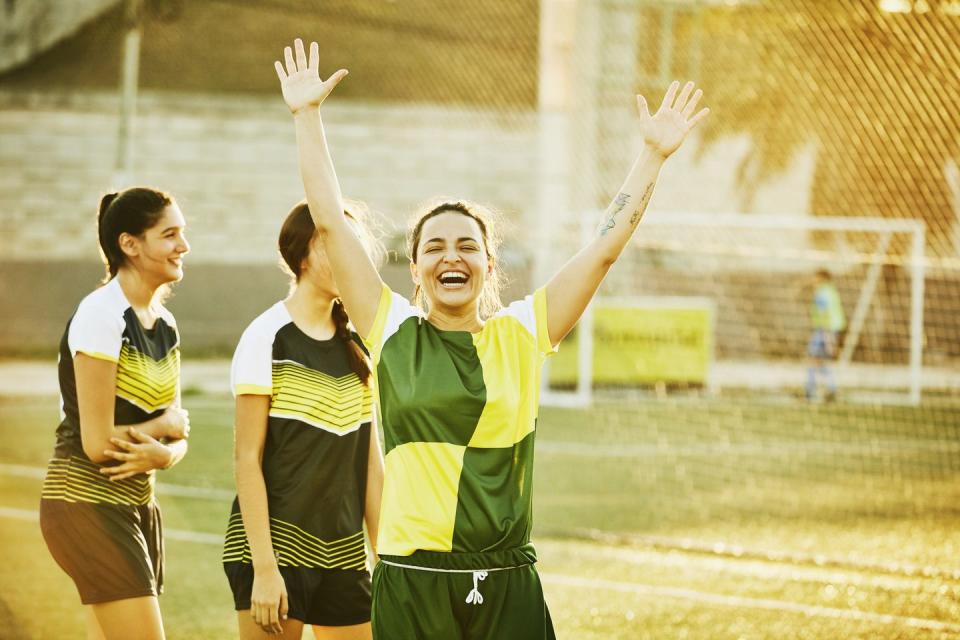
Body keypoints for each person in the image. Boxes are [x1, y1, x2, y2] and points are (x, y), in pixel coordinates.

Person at [274, 38, 708, 639]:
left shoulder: (524, 332)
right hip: (411, 576)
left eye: (466, 245)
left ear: (489, 262)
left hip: (505, 580)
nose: (451, 257)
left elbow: (604, 249)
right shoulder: (392, 328)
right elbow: (328, 220)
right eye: (434, 247)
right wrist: (307, 116)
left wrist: (652, 157)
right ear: (416, 268)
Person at [223, 201, 385, 640]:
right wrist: (265, 569)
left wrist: (386, 559)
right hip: (274, 556)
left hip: (345, 557)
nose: (350, 258)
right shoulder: (266, 336)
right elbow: (247, 459)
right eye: (334, 244)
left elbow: (371, 465)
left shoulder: (362, 347)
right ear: (301, 254)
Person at [39, 187, 192, 640]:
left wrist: (168, 453)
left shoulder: (165, 323)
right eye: (170, 234)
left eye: (182, 233)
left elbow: (178, 430)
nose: (183, 246)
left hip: (138, 506)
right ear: (130, 244)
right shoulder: (101, 313)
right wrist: (163, 430)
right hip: (84, 505)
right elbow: (98, 443)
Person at [806, 268, 846, 402]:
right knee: (820, 361)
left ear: (821, 279)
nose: (812, 280)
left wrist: (828, 338)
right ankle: (831, 389)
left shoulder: (822, 293)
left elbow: (825, 315)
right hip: (831, 329)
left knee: (812, 359)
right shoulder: (831, 291)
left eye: (814, 277)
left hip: (824, 331)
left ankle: (810, 391)